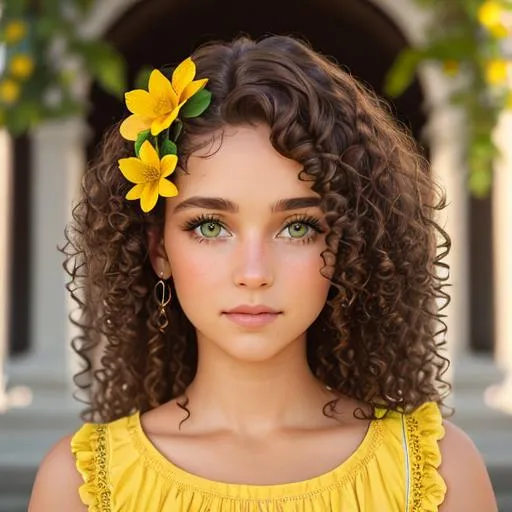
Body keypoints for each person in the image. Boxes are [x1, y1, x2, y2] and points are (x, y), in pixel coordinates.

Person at [28, 34, 497, 511]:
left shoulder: (435, 472)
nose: (253, 273)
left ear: (345, 246)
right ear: (158, 250)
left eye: (297, 227)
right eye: (210, 226)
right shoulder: (81, 486)